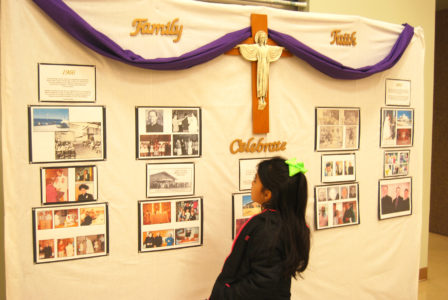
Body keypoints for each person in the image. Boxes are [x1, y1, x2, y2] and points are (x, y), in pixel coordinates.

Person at [210, 157, 310, 299]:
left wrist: (226, 293)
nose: (252, 183)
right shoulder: (285, 223)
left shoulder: (268, 229)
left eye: (255, 180)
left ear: (267, 194)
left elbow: (262, 284)